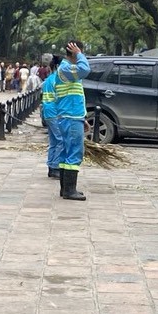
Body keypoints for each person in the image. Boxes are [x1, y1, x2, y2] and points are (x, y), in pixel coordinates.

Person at [56, 41, 90, 201]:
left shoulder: (66, 69)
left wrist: (82, 118)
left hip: (71, 116)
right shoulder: (66, 68)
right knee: (75, 152)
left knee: (66, 152)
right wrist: (79, 54)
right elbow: (85, 69)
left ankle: (66, 189)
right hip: (70, 116)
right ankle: (70, 190)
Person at [42, 56, 63, 179]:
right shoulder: (58, 79)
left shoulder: (48, 79)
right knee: (60, 140)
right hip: (55, 112)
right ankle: (55, 166)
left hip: (48, 112)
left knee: (53, 141)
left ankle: (51, 166)